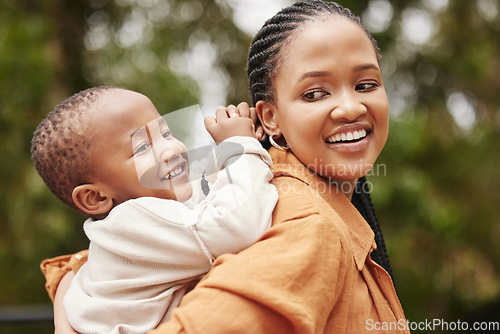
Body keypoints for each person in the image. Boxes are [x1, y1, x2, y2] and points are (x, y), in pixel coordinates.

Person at [45, 1, 410, 333]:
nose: (350, 108)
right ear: (269, 117)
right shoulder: (308, 226)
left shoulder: (297, 198)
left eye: (366, 84)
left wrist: (66, 292)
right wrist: (242, 146)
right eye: (314, 93)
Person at [31, 86, 278, 333]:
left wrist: (233, 143)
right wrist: (240, 144)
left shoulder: (155, 204)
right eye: (142, 148)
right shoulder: (131, 223)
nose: (172, 149)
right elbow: (237, 225)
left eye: (166, 133)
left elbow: (210, 196)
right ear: (95, 197)